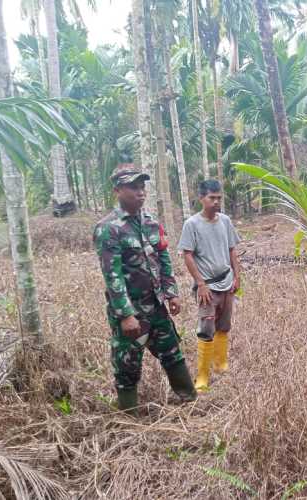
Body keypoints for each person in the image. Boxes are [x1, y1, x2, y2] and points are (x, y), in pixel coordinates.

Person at [93, 166, 196, 415]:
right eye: (133, 187)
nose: (140, 192)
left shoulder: (151, 223)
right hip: (132, 310)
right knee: (127, 364)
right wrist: (126, 314)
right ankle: (129, 416)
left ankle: (190, 399)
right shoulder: (109, 228)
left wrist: (171, 292)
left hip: (157, 306)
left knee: (172, 352)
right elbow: (112, 275)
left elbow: (163, 259)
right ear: (117, 190)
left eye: (142, 187)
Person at [178, 179, 241, 392]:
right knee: (206, 329)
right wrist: (201, 283)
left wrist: (237, 276)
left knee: (224, 324)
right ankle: (202, 376)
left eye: (219, 198)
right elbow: (188, 255)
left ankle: (221, 364)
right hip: (207, 287)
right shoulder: (192, 224)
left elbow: (232, 249)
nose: (216, 202)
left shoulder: (225, 221)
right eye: (211, 198)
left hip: (227, 281)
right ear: (201, 199)